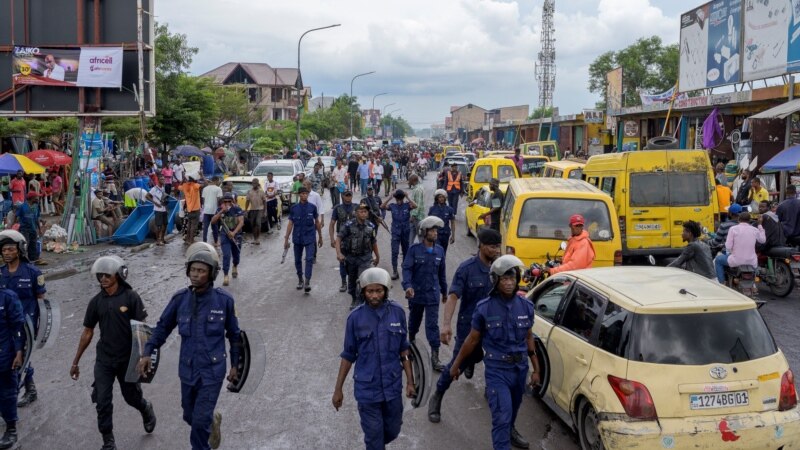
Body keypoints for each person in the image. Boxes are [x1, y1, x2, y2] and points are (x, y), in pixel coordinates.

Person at [137, 243, 240, 450]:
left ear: (211, 274)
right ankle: (211, 423)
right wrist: (148, 352)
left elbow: (235, 336)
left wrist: (236, 366)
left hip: (212, 371)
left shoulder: (224, 301)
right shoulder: (179, 300)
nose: (195, 275)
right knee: (189, 415)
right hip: (188, 370)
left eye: (201, 271)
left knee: (199, 423)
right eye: (193, 270)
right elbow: (162, 328)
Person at [448, 255, 538, 450]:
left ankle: (510, 432)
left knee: (512, 413)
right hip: (497, 371)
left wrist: (536, 369)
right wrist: (456, 366)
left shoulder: (526, 306)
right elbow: (471, 340)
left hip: (520, 369)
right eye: (504, 279)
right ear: (495, 281)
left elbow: (529, 337)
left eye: (512, 278)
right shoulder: (484, 308)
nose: (509, 283)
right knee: (502, 417)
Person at [70, 256, 156, 450]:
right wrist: (75, 362)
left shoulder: (131, 297)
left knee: (131, 397)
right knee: (102, 401)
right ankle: (108, 442)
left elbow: (142, 329)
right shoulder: (95, 302)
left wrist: (145, 356)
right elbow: (87, 332)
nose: (103, 278)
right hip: (105, 360)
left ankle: (145, 408)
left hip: (127, 359)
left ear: (119, 275)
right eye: (100, 275)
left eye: (107, 275)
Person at [331, 268, 415, 450]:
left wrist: (410, 381)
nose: (375, 295)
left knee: (393, 430)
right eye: (370, 291)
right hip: (367, 390)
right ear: (363, 291)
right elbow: (348, 356)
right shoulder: (355, 318)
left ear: (386, 290)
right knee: (374, 438)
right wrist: (338, 389)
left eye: (379, 291)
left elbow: (404, 350)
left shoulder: (398, 313)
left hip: (392, 387)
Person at [429, 228, 502, 424]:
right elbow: (453, 297)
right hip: (469, 327)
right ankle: (438, 394)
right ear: (481, 246)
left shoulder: (501, 269)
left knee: (494, 361)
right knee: (457, 364)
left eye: (498, 246)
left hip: (494, 327)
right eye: (493, 247)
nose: (497, 250)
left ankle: (493, 392)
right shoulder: (466, 268)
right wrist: (445, 325)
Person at [0, 230, 45, 408]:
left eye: (11, 249)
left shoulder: (33, 272)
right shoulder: (1, 273)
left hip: (26, 326)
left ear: (19, 250)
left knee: (17, 359)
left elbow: (42, 301)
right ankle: (30, 389)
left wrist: (41, 329)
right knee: (13, 358)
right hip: (4, 327)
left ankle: (10, 399)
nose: (7, 253)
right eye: (4, 250)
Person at [402, 216, 447, 372]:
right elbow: (407, 269)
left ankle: (435, 357)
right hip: (417, 294)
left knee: (432, 326)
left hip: (433, 295)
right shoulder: (414, 250)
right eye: (432, 230)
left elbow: (442, 273)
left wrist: (444, 291)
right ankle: (411, 346)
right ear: (424, 232)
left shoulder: (440, 250)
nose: (435, 233)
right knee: (414, 322)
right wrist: (407, 286)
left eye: (436, 230)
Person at [336, 203, 380, 309]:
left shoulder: (371, 226)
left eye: (366, 211)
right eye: (361, 211)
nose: (364, 214)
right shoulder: (348, 225)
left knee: (362, 280)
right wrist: (339, 253)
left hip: (365, 258)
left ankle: (360, 301)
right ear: (356, 213)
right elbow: (338, 238)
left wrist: (377, 256)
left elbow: (373, 242)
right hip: (351, 258)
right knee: (351, 281)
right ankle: (354, 298)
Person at [284, 187, 322, 293]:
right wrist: (286, 239)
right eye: (302, 194)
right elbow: (290, 223)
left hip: (310, 238)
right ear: (299, 195)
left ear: (307, 195)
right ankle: (300, 279)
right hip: (297, 238)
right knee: (297, 260)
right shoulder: (294, 208)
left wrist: (320, 237)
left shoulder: (312, 207)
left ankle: (307, 281)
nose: (304, 195)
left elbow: (317, 222)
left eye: (306, 193)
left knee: (309, 259)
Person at [0, 286, 23, 450]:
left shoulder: (8, 297)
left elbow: (18, 328)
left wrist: (19, 352)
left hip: (4, 353)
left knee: (7, 392)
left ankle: (11, 429)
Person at [714, 212, 766, 283]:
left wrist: (731, 250)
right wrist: (760, 225)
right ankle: (753, 285)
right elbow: (763, 240)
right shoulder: (754, 230)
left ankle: (722, 283)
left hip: (736, 261)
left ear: (739, 219)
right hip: (751, 262)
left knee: (718, 260)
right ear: (749, 220)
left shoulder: (733, 229)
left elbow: (728, 246)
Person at [381, 190, 416, 280]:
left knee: (405, 251)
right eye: (398, 198)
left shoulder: (407, 205)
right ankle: (395, 271)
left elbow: (415, 206)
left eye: (400, 198)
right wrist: (389, 197)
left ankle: (405, 269)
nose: (399, 200)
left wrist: (407, 197)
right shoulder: (393, 206)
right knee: (395, 252)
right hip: (396, 233)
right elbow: (382, 206)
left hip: (405, 232)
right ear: (396, 198)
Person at [211, 193, 244, 287]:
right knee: (226, 255)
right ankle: (226, 275)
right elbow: (213, 221)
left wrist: (234, 233)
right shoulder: (219, 209)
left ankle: (235, 266)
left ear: (232, 201)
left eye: (229, 201)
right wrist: (221, 212)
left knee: (236, 255)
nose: (227, 203)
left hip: (236, 235)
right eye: (225, 201)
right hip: (224, 235)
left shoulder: (237, 209)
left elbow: (241, 222)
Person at [330, 190, 358, 292]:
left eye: (349, 196)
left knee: (354, 261)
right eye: (346, 196)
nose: (348, 198)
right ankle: (343, 282)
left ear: (352, 196)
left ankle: (352, 281)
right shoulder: (338, 208)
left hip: (355, 238)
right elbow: (332, 224)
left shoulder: (357, 207)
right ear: (342, 196)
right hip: (341, 239)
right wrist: (332, 239)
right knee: (342, 260)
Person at [15, 192, 41, 264]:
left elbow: (37, 218)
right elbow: (16, 216)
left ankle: (33, 259)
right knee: (24, 245)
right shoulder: (22, 206)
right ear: (32, 198)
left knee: (33, 245)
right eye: (36, 197)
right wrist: (15, 226)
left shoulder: (36, 206)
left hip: (33, 229)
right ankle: (22, 260)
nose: (37, 198)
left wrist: (39, 229)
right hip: (24, 229)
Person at [429, 189, 456, 253]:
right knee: (437, 250)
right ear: (437, 198)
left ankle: (442, 263)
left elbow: (452, 222)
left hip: (445, 234)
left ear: (445, 198)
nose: (441, 199)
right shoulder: (432, 209)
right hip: (435, 234)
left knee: (443, 252)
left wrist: (453, 236)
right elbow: (429, 222)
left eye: (443, 197)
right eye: (439, 197)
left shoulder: (450, 209)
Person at [179, 175, 203, 245]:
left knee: (189, 225)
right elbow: (206, 184)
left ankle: (188, 240)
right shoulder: (195, 185)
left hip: (189, 209)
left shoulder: (185, 186)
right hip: (196, 209)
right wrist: (201, 175)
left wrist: (183, 179)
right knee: (193, 226)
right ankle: (191, 240)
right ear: (194, 180)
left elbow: (178, 186)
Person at [146, 174, 168, 246]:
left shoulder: (163, 188)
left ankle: (162, 239)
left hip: (164, 209)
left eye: (164, 179)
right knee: (159, 226)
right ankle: (158, 240)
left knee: (165, 224)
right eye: (162, 179)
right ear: (158, 180)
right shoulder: (154, 189)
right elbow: (147, 196)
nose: (163, 180)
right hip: (158, 209)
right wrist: (155, 203)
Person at [201, 177, 223, 247]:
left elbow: (203, 200)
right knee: (215, 227)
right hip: (214, 210)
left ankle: (204, 242)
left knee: (205, 227)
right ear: (216, 180)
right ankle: (216, 242)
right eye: (218, 181)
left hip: (206, 210)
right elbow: (219, 200)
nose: (219, 182)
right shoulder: (218, 189)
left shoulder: (205, 189)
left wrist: (205, 207)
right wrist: (219, 210)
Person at [244, 178, 268, 243]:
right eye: (253, 183)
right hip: (252, 209)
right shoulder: (249, 192)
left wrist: (265, 211)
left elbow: (264, 201)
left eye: (255, 183)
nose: (254, 184)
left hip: (260, 209)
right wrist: (246, 210)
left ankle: (258, 238)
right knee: (253, 224)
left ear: (258, 184)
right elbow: (247, 201)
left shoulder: (261, 191)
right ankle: (255, 238)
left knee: (258, 223)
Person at [408, 174, 425, 243]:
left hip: (417, 217)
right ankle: (410, 250)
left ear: (413, 181)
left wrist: (413, 215)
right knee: (411, 234)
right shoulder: (419, 187)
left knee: (420, 236)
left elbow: (418, 204)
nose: (408, 182)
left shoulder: (417, 190)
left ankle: (422, 251)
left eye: (409, 180)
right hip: (416, 216)